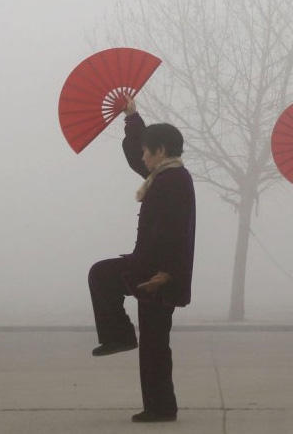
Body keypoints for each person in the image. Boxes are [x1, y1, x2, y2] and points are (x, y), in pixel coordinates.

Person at [87, 95, 196, 423]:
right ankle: (159, 403)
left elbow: (174, 232)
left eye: (147, 150)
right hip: (150, 268)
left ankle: (159, 404)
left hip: (157, 274)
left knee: (154, 342)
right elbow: (138, 158)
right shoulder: (166, 175)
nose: (143, 157)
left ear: (160, 151)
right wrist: (133, 118)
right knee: (152, 340)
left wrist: (166, 273)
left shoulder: (172, 180)